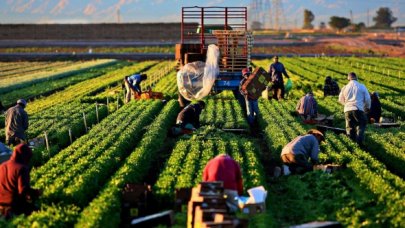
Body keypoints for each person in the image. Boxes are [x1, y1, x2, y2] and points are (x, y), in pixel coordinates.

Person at [0, 144, 41, 219]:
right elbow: (23, 190)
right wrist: (36, 192)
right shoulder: (21, 168)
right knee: (39, 213)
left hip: (2, 205)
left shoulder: (2, 166)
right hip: (15, 205)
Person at [339, 72, 371, 146]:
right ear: (356, 78)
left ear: (348, 78)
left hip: (347, 110)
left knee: (350, 128)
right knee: (361, 125)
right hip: (358, 108)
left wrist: (346, 105)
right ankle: (359, 143)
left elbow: (340, 99)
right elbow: (368, 99)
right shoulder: (362, 86)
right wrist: (367, 108)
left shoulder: (345, 87)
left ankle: (351, 145)